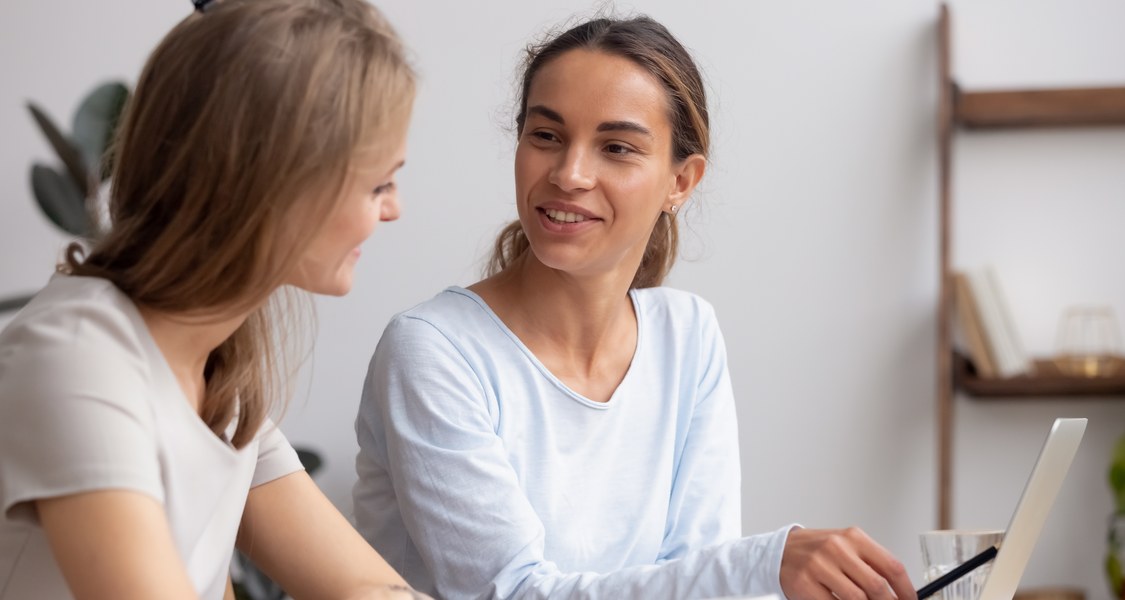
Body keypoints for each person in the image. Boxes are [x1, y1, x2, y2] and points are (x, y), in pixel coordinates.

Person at [352, 14, 917, 600]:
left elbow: (700, 578)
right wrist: (764, 564)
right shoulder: (433, 350)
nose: (569, 174)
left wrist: (758, 572)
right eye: (546, 136)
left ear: (682, 182)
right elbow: (512, 593)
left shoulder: (687, 336)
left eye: (616, 147)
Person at [0, 1, 430, 598]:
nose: (393, 208)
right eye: (379, 182)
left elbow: (365, 587)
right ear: (275, 186)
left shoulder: (218, 375)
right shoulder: (77, 360)